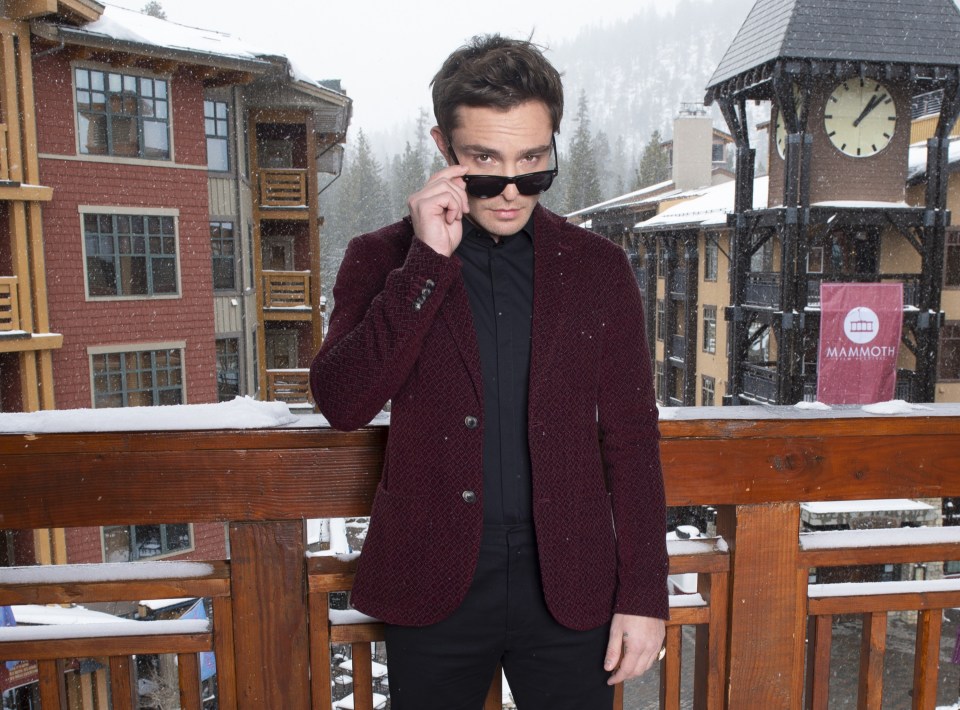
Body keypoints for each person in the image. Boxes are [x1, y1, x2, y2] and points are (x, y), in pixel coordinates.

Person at [311, 34, 668, 710]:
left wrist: (645, 594)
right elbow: (342, 400)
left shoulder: (598, 269)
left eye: (534, 164)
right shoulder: (381, 258)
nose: (511, 190)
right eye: (485, 163)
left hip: (571, 585)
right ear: (444, 147)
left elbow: (631, 437)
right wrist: (426, 264)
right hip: (434, 584)